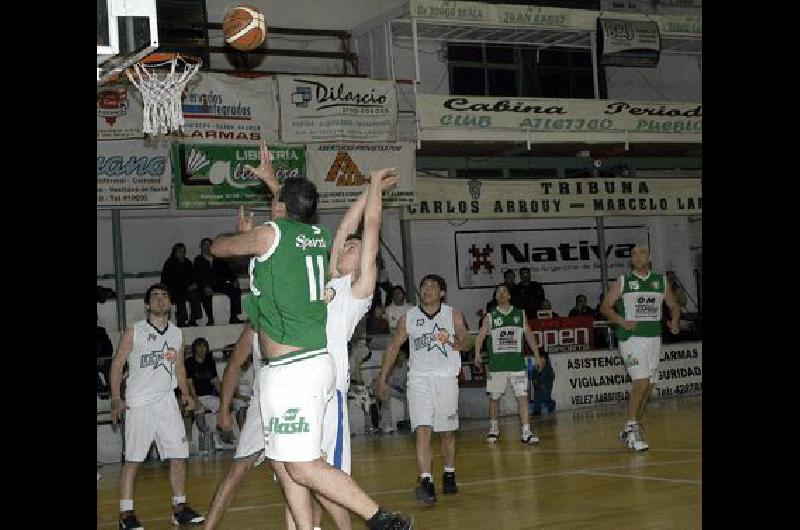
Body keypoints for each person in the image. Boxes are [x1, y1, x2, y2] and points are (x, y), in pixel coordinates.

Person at [211, 153, 412, 529]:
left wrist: (372, 192)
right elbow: (313, 225)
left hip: (320, 381)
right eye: (347, 246)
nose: (347, 246)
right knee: (291, 469)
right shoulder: (324, 263)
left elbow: (367, 225)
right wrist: (276, 185)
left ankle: (378, 519)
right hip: (292, 372)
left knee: (314, 474)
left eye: (354, 248)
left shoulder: (359, 289)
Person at [109, 283, 204, 529]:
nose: (160, 300)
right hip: (139, 403)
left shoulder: (177, 334)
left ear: (171, 303)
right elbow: (117, 364)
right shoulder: (135, 331)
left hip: (166, 402)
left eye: (165, 295)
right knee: (133, 460)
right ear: (147, 304)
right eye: (155, 296)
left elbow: (180, 368)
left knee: (179, 455)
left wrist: (185, 393)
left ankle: (179, 508)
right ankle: (126, 513)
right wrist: (117, 398)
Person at [377, 274, 471, 506]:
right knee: (422, 430)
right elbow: (393, 346)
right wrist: (382, 378)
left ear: (442, 293)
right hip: (418, 379)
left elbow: (467, 339)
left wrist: (459, 342)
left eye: (433, 286)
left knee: (447, 432)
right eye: (424, 286)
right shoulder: (409, 317)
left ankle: (449, 472)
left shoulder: (453, 314)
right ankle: (426, 482)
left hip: (446, 379)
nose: (427, 289)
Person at [600, 245, 681, 452]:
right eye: (634, 254)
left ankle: (631, 425)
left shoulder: (660, 281)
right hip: (631, 338)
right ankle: (632, 428)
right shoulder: (624, 281)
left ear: (649, 257)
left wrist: (674, 321)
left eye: (641, 253)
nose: (637, 257)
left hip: (654, 338)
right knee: (641, 382)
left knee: (650, 386)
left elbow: (674, 305)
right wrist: (621, 320)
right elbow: (605, 306)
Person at [474, 283, 543, 444]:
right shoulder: (490, 317)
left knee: (523, 397)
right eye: (498, 292)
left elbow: (530, 335)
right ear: (495, 297)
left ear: (509, 296)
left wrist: (537, 355)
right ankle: (493, 429)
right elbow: (480, 336)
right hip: (496, 366)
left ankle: (526, 432)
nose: (501, 294)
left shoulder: (520, 314)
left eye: (504, 291)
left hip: (517, 365)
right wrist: (477, 353)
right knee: (494, 398)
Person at [193, 238, 243, 325]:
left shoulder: (218, 259)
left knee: (235, 290)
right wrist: (205, 286)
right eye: (204, 245)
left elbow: (228, 271)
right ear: (201, 247)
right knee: (206, 294)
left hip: (219, 283)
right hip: (205, 285)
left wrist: (234, 280)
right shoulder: (198, 260)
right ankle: (210, 318)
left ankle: (234, 317)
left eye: (209, 245)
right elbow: (198, 275)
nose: (207, 247)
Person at [160, 243, 203, 327]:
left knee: (195, 294)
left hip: (186, 289)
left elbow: (193, 276)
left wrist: (194, 284)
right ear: (175, 252)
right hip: (174, 289)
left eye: (184, 252)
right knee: (180, 295)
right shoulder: (169, 264)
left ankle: (193, 319)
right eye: (180, 252)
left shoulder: (187, 263)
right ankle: (181, 320)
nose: (182, 254)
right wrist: (186, 287)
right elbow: (170, 281)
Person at [377, 350, 409, 434]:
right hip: (391, 389)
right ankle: (385, 424)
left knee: (412, 396)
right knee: (386, 392)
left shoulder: (408, 365)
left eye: (402, 355)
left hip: (404, 391)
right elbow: (386, 382)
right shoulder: (391, 365)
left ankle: (409, 422)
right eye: (398, 355)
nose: (400, 357)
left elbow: (409, 382)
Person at [530, 350, 555, 416]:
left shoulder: (549, 368)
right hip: (538, 387)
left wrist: (545, 386)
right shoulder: (536, 368)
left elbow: (551, 379)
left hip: (546, 387)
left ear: (546, 360)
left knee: (546, 397)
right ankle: (537, 410)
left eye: (544, 358)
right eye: (541, 358)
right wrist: (537, 384)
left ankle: (551, 404)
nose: (542, 360)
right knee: (537, 396)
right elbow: (533, 377)